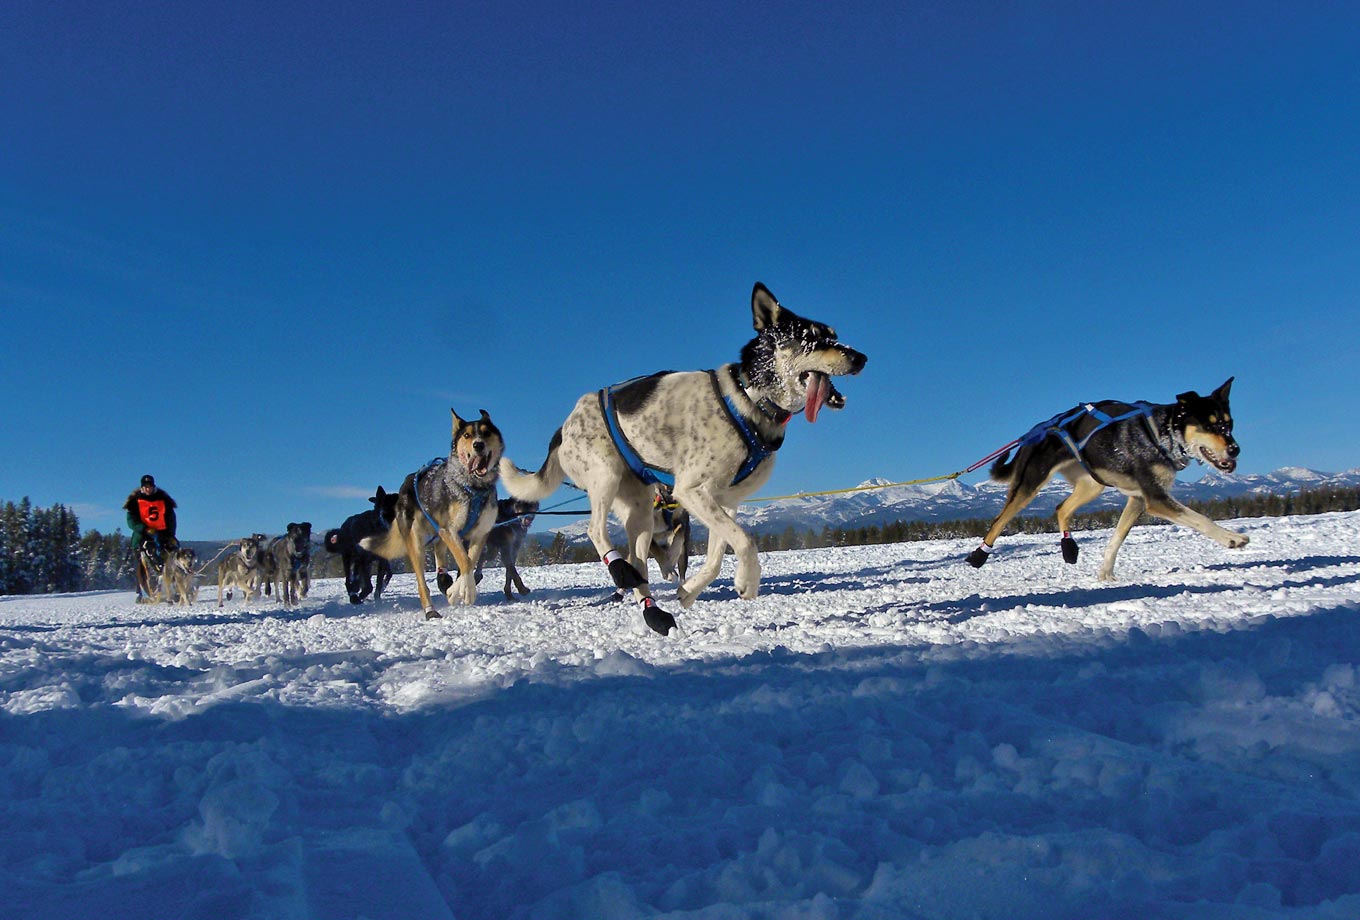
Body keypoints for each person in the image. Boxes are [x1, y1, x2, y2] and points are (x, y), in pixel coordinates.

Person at [124, 474, 178, 566]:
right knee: (145, 554)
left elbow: (171, 519)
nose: (148, 489)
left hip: (163, 533)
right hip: (143, 535)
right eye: (146, 487)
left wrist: (170, 534)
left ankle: (181, 570)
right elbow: (131, 521)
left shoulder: (163, 500)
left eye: (150, 487)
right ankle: (148, 573)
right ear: (142, 488)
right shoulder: (134, 502)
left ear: (153, 486)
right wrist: (144, 528)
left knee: (175, 548)